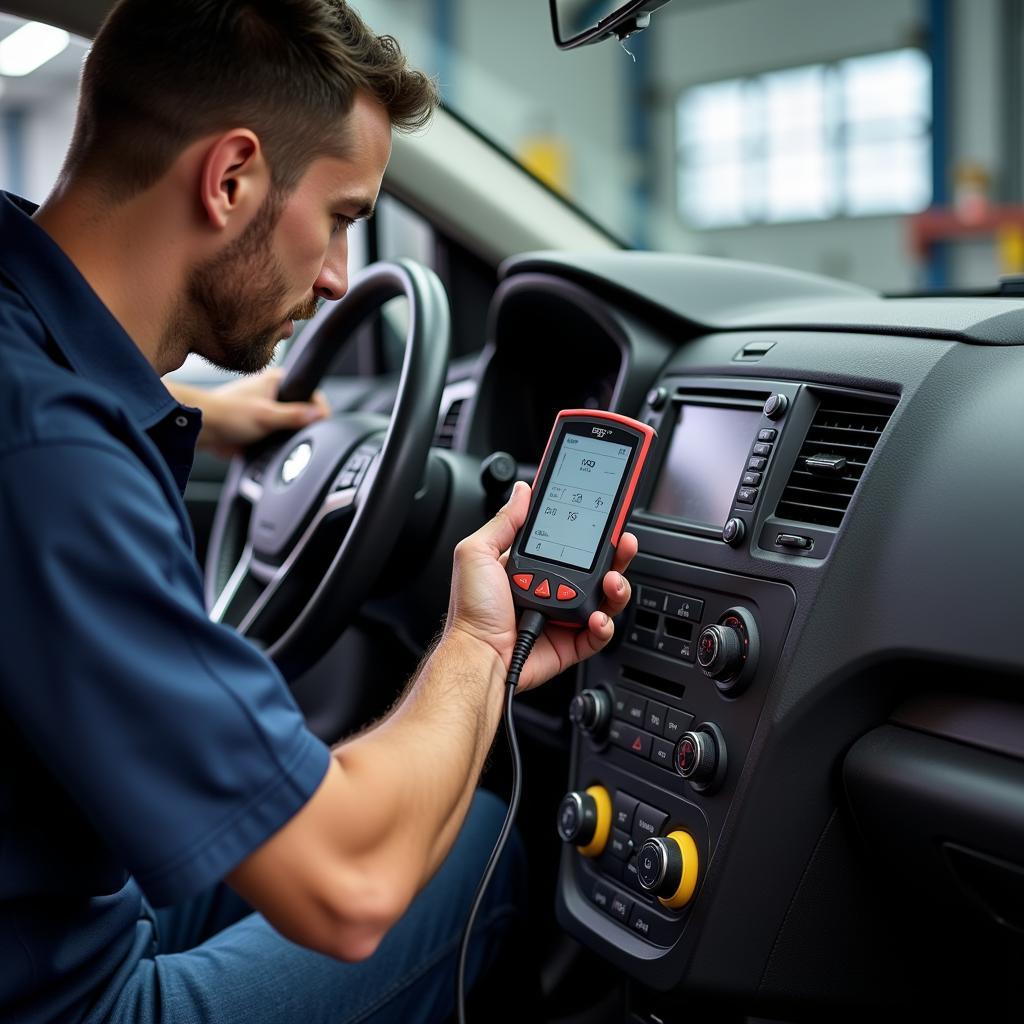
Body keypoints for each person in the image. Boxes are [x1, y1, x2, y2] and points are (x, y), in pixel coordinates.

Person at [0, 3, 638, 1023]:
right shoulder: (57, 458)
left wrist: (205, 414)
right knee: (470, 845)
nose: (341, 275)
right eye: (342, 217)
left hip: (44, 910)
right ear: (231, 177)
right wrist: (480, 640)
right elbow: (351, 889)